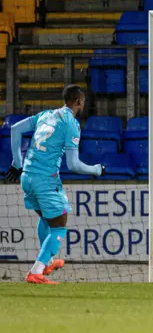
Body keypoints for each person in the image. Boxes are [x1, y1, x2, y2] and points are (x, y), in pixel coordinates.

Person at [5, 85, 104, 284]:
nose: (83, 105)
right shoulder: (71, 123)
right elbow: (74, 164)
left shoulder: (46, 114)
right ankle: (36, 271)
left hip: (27, 177)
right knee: (60, 225)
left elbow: (15, 129)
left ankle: (48, 261)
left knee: (46, 218)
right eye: (82, 102)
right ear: (78, 102)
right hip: (45, 180)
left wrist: (17, 163)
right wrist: (96, 170)